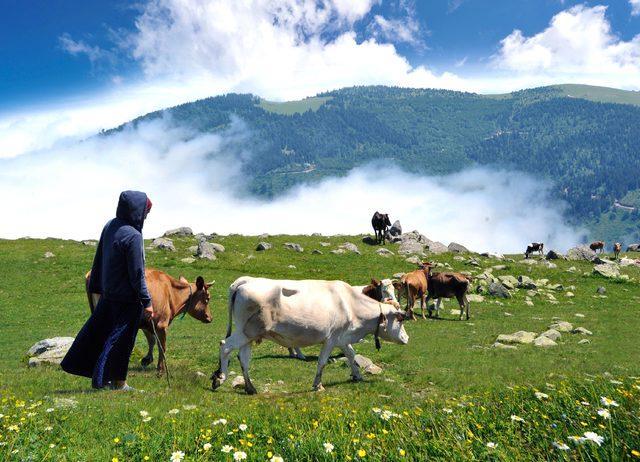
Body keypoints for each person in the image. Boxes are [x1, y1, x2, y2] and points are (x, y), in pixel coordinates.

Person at [62, 190, 154, 390]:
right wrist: (147, 301)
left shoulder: (110, 226)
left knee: (100, 335)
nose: (145, 216)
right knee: (122, 342)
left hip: (108, 295)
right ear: (137, 211)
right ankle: (117, 383)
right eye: (145, 212)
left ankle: (108, 379)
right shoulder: (134, 236)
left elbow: (99, 259)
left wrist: (96, 286)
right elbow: (137, 274)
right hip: (128, 300)